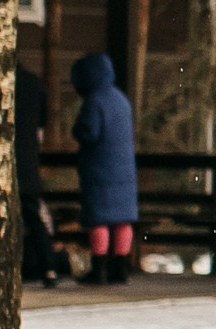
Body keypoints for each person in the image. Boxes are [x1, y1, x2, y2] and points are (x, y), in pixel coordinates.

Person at [70, 52, 138, 284]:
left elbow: (89, 133)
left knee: (99, 218)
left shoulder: (95, 101)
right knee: (122, 220)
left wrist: (77, 130)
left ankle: (99, 268)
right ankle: (120, 267)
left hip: (100, 169)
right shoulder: (121, 99)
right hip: (124, 171)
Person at [15, 64, 62, 286]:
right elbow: (41, 127)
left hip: (3, 159)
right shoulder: (34, 84)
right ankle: (49, 268)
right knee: (34, 216)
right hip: (27, 160)